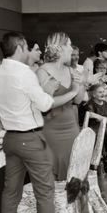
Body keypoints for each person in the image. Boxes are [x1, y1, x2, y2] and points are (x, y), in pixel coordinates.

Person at [0, 31, 74, 213]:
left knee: (11, 191)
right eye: (27, 46)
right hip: (30, 138)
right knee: (44, 192)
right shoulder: (24, 73)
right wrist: (61, 91)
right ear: (19, 46)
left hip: (10, 138)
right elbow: (46, 103)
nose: (29, 51)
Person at [36, 32, 83, 181]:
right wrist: (73, 91)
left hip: (71, 127)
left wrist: (80, 83)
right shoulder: (42, 71)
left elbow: (78, 101)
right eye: (69, 45)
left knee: (74, 176)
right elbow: (47, 104)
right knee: (53, 178)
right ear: (60, 48)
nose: (71, 49)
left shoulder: (70, 70)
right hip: (51, 131)